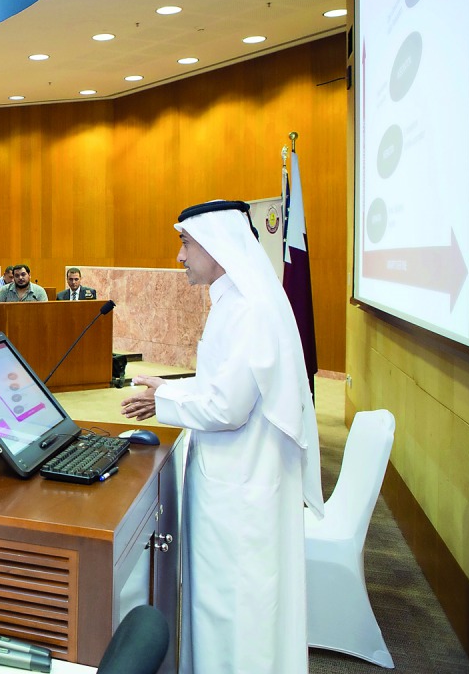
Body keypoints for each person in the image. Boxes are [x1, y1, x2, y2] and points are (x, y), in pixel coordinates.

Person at [119, 200, 323, 674]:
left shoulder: (248, 310)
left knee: (235, 610)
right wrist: (170, 387)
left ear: (216, 244)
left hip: (243, 492)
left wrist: (162, 404)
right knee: (228, 606)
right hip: (240, 479)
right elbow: (227, 382)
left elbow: (227, 407)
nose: (180, 257)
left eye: (185, 243)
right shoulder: (235, 300)